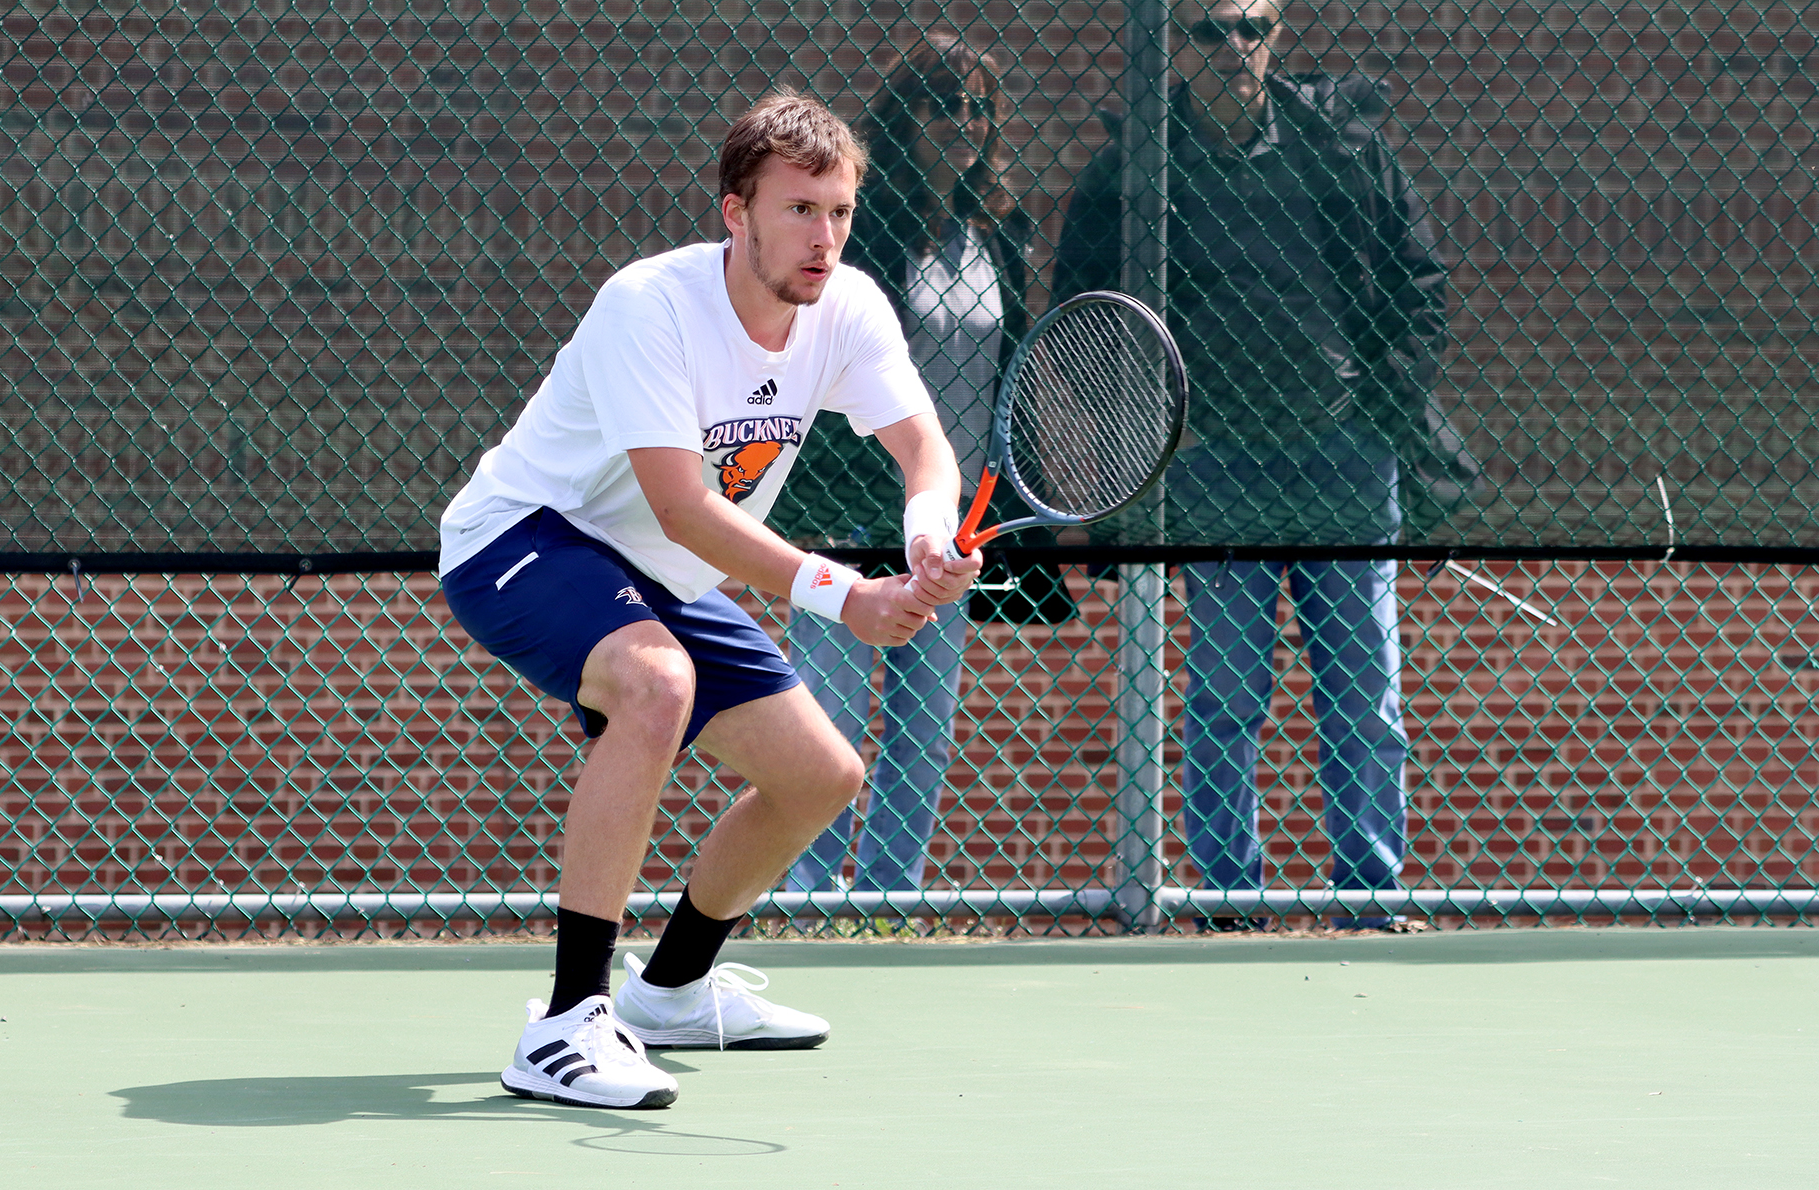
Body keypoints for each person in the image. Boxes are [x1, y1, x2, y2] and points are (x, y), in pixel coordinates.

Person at [437, 91, 982, 1110]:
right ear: (734, 212)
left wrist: (922, 540)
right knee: (655, 684)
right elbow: (681, 507)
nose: (823, 237)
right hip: (520, 539)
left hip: (656, 572)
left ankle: (673, 987)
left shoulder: (848, 309)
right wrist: (843, 595)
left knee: (819, 775)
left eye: (839, 211)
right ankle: (563, 1022)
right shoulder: (647, 306)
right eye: (797, 210)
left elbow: (923, 450)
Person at [1053, 0, 1448, 931]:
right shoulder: (1134, 169)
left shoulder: (1344, 147)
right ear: (1172, 49)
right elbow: (1083, 308)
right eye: (1207, 30)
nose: (1234, 46)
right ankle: (1232, 900)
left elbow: (1419, 280)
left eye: (1253, 26)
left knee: (1363, 695)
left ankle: (1371, 896)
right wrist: (1153, 427)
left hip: (1343, 463)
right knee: (1227, 695)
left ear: (1279, 34)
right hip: (1215, 468)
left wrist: (1380, 406)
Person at [768, 34, 1030, 902]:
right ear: (903, 119)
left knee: (923, 726)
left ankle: (887, 901)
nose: (962, 123)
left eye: (978, 108)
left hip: (948, 525)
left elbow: (1011, 367)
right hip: (850, 512)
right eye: (941, 105)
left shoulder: (999, 231)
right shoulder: (856, 237)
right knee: (829, 721)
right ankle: (804, 899)